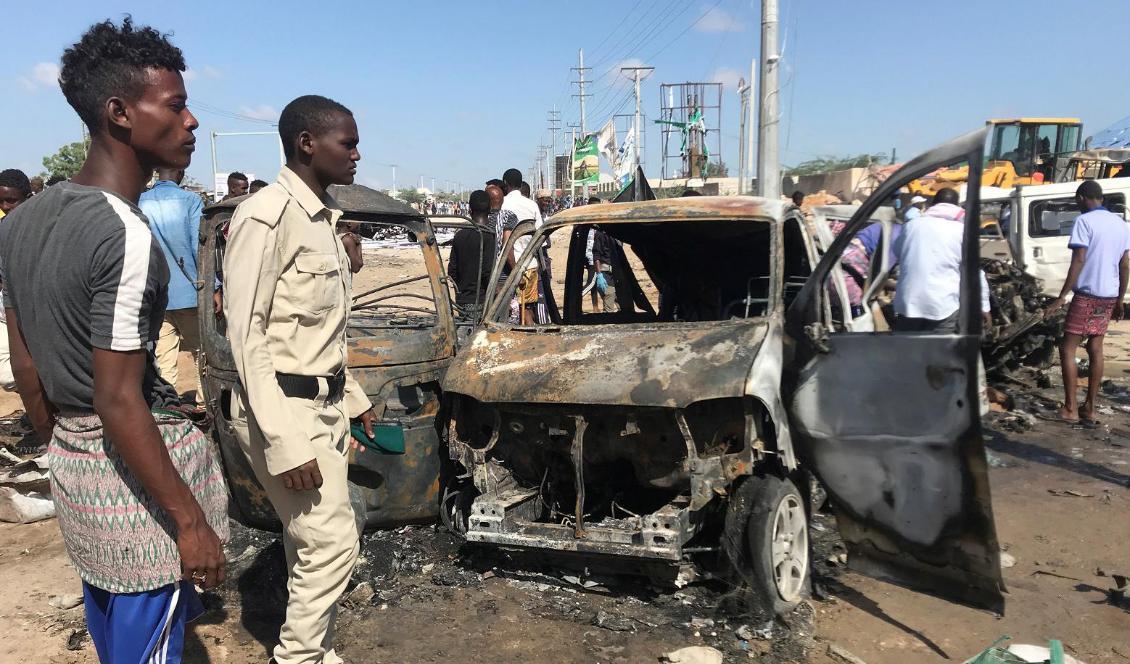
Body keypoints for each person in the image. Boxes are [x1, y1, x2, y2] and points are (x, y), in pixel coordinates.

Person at [0, 18, 228, 663]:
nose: (191, 123)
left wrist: (64, 453)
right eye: (177, 105)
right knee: (149, 640)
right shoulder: (125, 233)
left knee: (113, 632)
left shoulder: (24, 221)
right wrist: (188, 523)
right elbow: (119, 397)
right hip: (135, 491)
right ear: (120, 112)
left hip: (78, 465)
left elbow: (25, 364)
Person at [223, 94, 376, 664]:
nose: (358, 153)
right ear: (307, 143)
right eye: (349, 142)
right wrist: (284, 439)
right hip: (283, 411)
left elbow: (321, 334)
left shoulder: (325, 218)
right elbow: (248, 338)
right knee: (333, 543)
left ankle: (316, 650)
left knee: (307, 542)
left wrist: (353, 397)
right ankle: (297, 659)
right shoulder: (265, 215)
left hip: (324, 404)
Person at [1046, 180, 1130, 424]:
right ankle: (1090, 408)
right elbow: (1125, 265)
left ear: (1082, 198)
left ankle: (1071, 408)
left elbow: (1079, 259)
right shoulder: (1120, 224)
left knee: (1067, 348)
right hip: (1108, 295)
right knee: (1096, 349)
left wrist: (1062, 296)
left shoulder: (1084, 221)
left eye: (1077, 201)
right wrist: (1119, 299)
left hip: (1086, 294)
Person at [139, 167, 205, 403]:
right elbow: (199, 246)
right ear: (180, 173)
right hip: (190, 289)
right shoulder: (191, 200)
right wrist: (214, 287)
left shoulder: (139, 200)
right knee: (201, 354)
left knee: (163, 355)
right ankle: (203, 403)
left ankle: (169, 406)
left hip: (154, 292)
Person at [892, 188, 991, 332]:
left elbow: (897, 251)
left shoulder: (910, 226)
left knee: (906, 353)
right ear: (957, 206)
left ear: (933, 204)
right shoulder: (962, 231)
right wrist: (983, 307)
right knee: (939, 353)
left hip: (908, 305)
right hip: (942, 307)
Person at [0, 169, 32, 393]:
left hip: (38, 311)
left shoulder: (43, 229)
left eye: (11, 200)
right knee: (10, 373)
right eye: (1, 201)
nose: (5, 206)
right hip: (8, 311)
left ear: (28, 198)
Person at [498, 169, 542, 324]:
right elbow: (540, 236)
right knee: (527, 309)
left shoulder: (501, 205)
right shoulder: (532, 205)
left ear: (505, 184)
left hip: (504, 268)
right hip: (529, 265)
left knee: (503, 310)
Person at [447, 189, 495, 312]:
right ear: (490, 209)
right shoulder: (489, 237)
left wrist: (460, 291)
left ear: (470, 210)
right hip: (481, 301)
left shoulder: (459, 235)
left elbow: (452, 270)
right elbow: (487, 272)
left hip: (462, 300)